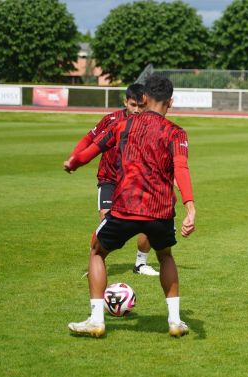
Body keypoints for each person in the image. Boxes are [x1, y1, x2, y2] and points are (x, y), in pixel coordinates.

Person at [64, 75, 196, 338]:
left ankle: (97, 319)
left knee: (97, 252)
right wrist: (190, 207)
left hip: (124, 207)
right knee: (165, 256)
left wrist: (74, 163)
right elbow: (181, 169)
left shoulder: (122, 125)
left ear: (144, 98)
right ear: (171, 101)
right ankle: (174, 321)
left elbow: (93, 150)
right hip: (159, 211)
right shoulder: (176, 132)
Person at [68, 83, 159, 277]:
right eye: (133, 105)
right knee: (106, 220)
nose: (136, 110)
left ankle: (141, 264)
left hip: (136, 181)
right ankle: (97, 261)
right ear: (125, 102)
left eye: (141, 106)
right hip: (109, 178)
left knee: (148, 220)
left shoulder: (150, 124)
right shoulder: (110, 120)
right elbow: (88, 140)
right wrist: (74, 157)